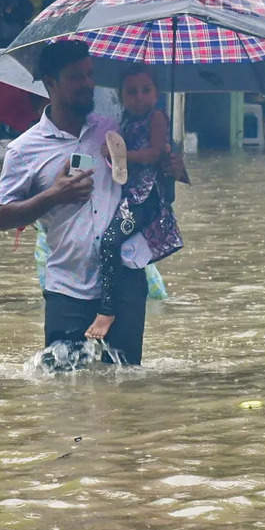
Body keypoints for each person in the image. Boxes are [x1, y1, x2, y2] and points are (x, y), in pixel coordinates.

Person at [0, 41, 185, 366]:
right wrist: (54, 195)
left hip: (124, 285)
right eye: (75, 77)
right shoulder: (24, 150)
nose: (87, 84)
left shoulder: (115, 129)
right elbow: (1, 217)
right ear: (50, 83)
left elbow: (150, 185)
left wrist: (172, 168)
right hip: (67, 288)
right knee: (65, 396)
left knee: (125, 388)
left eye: (90, 74)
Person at [85, 66, 183, 340]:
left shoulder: (158, 118)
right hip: (128, 196)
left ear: (157, 93)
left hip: (145, 198)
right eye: (131, 92)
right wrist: (110, 154)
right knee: (108, 243)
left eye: (146, 90)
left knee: (109, 241)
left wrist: (124, 155)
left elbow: (152, 154)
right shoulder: (124, 122)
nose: (139, 97)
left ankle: (107, 309)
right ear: (121, 96)